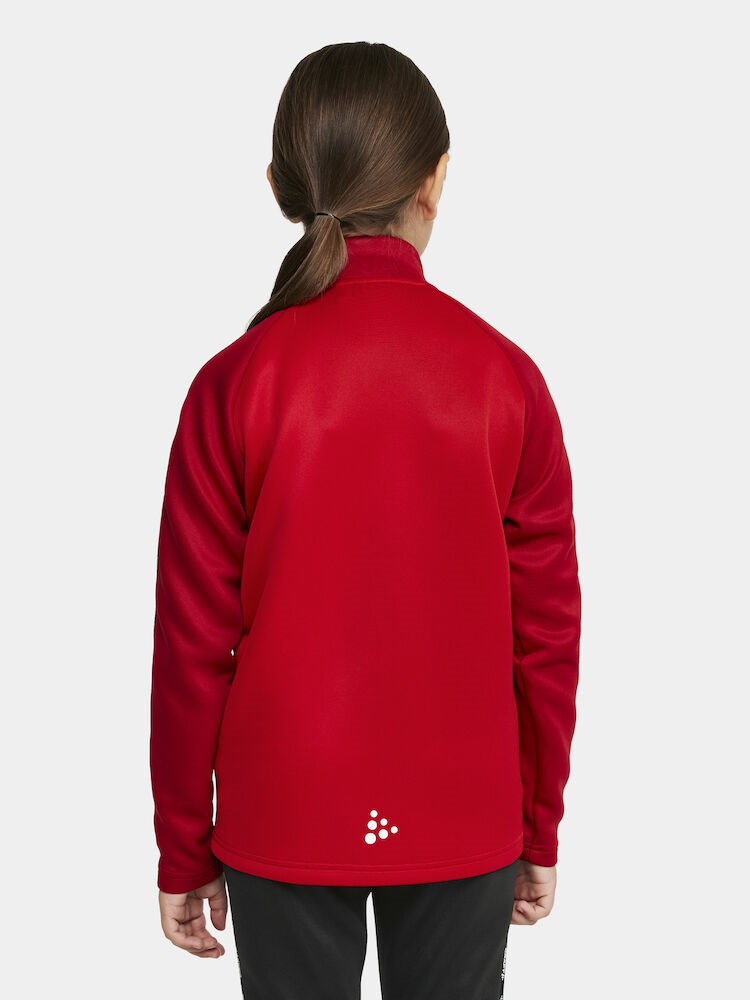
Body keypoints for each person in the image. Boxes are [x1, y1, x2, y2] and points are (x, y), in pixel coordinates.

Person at [149, 40, 582, 1000]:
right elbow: (546, 634)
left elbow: (191, 644)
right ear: (436, 181)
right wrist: (538, 822)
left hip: (283, 807)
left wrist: (183, 841)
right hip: (464, 812)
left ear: (281, 186)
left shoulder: (233, 384)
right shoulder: (505, 379)